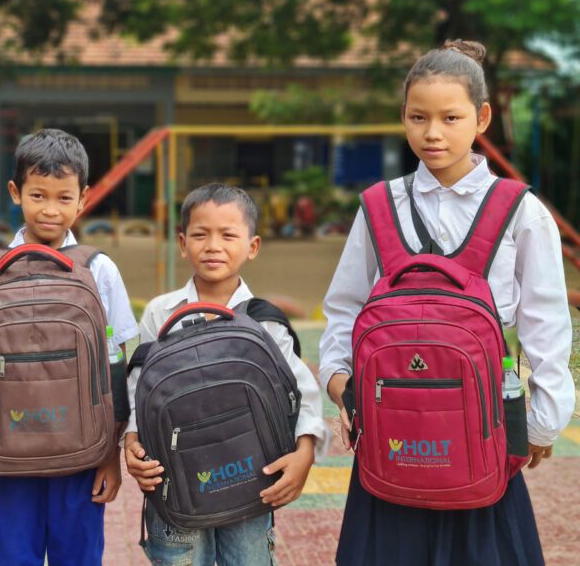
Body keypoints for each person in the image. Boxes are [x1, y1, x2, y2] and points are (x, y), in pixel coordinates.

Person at [319, 40, 575, 565]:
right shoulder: (378, 206)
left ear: (481, 118)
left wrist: (545, 419)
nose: (432, 132)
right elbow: (344, 306)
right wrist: (339, 381)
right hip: (389, 428)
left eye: (450, 117)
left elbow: (545, 319)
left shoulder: (519, 211)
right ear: (403, 118)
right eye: (418, 117)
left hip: (485, 428)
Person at [0, 129, 138, 565]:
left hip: (82, 453)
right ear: (16, 193)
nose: (50, 210)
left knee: (78, 557)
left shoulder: (98, 269)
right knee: (11, 557)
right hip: (6, 451)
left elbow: (115, 363)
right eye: (38, 196)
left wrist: (108, 455)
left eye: (63, 197)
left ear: (83, 198)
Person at [123, 183, 325, 565]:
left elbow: (301, 391)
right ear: (182, 243)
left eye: (228, 235)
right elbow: (140, 388)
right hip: (176, 481)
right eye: (200, 235)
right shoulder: (160, 314)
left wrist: (305, 453)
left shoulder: (265, 321)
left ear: (252, 246)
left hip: (251, 481)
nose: (213, 245)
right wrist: (131, 440)